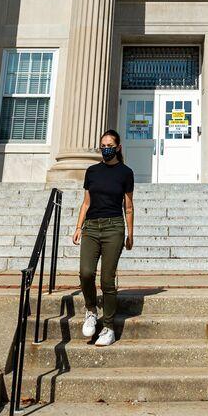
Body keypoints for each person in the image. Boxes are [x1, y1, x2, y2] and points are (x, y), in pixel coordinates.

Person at [72, 128, 134, 346]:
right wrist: (78, 226)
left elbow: (128, 206)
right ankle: (91, 310)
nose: (106, 149)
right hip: (91, 226)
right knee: (86, 273)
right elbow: (86, 202)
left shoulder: (126, 173)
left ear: (118, 147)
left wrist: (130, 234)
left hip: (113, 227)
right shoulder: (92, 171)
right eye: (103, 146)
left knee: (107, 279)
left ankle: (108, 327)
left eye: (110, 146)